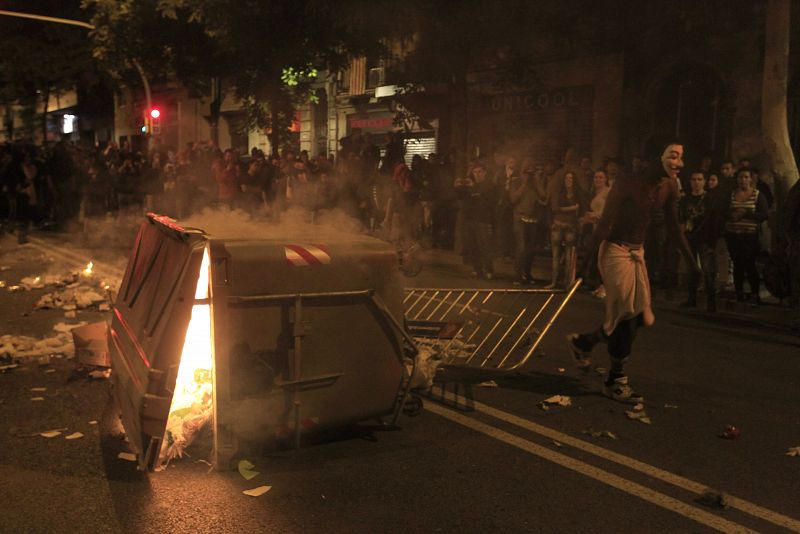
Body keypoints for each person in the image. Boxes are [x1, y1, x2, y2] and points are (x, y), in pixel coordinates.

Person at [566, 141, 698, 404]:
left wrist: (692, 263)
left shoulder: (669, 186)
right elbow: (604, 224)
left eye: (681, 157)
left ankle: (584, 342)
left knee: (643, 319)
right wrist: (585, 262)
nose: (679, 163)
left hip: (638, 254)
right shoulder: (626, 183)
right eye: (673, 156)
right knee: (627, 318)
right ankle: (616, 381)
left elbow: (674, 227)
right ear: (653, 158)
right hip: (615, 252)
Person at [724, 167, 768, 304]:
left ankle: (754, 293)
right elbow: (723, 212)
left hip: (750, 236)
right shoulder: (731, 194)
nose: (743, 180)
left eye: (746, 177)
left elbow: (764, 215)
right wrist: (731, 215)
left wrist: (746, 213)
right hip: (733, 234)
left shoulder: (757, 195)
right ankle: (739, 292)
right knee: (737, 264)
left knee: (750, 264)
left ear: (750, 179)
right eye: (740, 177)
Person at [679, 170, 721, 312]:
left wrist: (712, 242)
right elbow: (681, 218)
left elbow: (714, 222)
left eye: (699, 179)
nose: (696, 182)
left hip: (705, 239)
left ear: (704, 181)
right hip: (689, 238)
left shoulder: (710, 199)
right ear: (690, 181)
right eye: (694, 179)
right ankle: (692, 298)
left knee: (708, 270)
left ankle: (711, 302)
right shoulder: (685, 200)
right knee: (691, 269)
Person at [455, 163, 496, 279]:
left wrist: (473, 187)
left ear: (485, 172)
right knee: (473, 246)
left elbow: (486, 201)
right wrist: (458, 187)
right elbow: (460, 198)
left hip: (483, 220)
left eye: (479, 172)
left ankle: (488, 270)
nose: (477, 175)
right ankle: (477, 269)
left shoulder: (489, 185)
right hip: (470, 219)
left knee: (485, 246)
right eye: (475, 172)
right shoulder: (469, 185)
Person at [547, 171, 582, 289]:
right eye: (567, 178)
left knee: (567, 255)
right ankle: (556, 282)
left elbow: (557, 208)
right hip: (562, 224)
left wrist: (566, 209)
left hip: (567, 225)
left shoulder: (573, 193)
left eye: (571, 178)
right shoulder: (566, 193)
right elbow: (555, 208)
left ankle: (564, 283)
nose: (569, 180)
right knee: (558, 254)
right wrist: (572, 208)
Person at [509, 160, 540, 285]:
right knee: (521, 247)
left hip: (533, 218)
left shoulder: (535, 183)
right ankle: (517, 274)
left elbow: (544, 196)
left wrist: (536, 182)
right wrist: (524, 183)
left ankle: (527, 272)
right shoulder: (516, 181)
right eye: (527, 170)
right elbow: (513, 199)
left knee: (530, 248)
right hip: (519, 217)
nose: (529, 173)